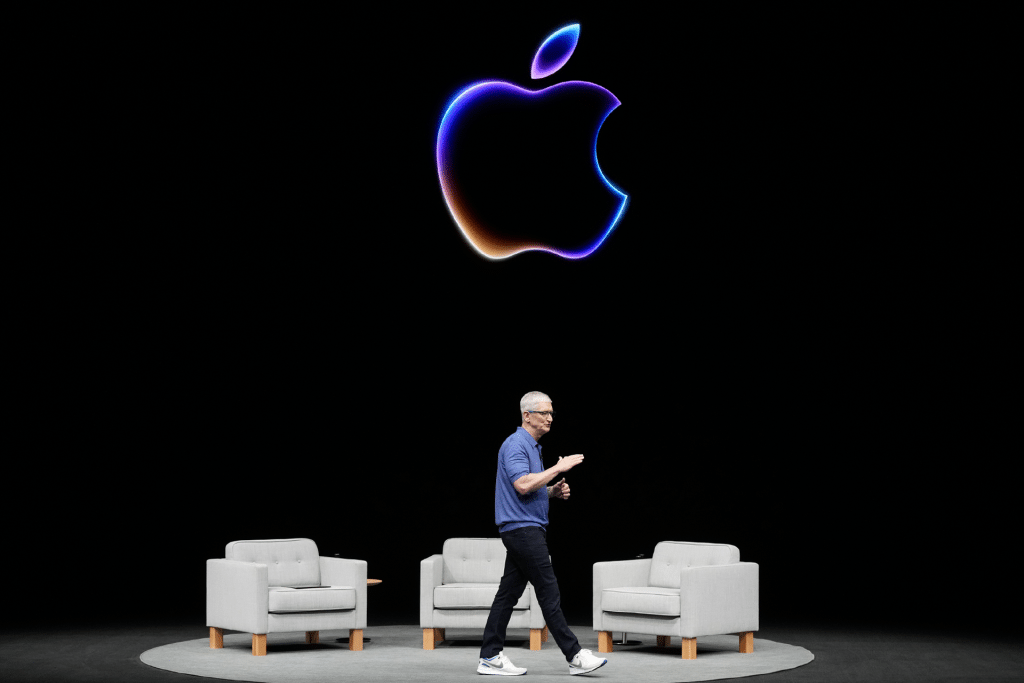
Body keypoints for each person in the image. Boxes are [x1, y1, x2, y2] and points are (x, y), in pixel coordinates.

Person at [477, 391, 608, 676]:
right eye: (543, 413)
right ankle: (574, 655)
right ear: (527, 415)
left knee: (507, 595)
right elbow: (523, 485)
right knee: (548, 591)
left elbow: (528, 489)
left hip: (524, 528)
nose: (550, 418)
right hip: (522, 530)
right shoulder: (515, 444)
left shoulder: (532, 447)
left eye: (551, 413)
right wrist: (558, 468)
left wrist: (551, 492)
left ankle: (489, 656)